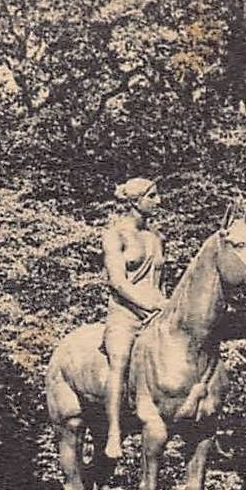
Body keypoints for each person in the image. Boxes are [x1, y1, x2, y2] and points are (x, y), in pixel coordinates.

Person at [100, 176, 166, 459]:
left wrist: (165, 305)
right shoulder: (115, 234)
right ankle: (114, 432)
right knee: (120, 362)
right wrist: (146, 305)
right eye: (152, 196)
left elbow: (160, 283)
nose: (158, 201)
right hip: (125, 315)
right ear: (135, 202)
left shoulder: (155, 238)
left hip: (156, 313)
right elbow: (117, 282)